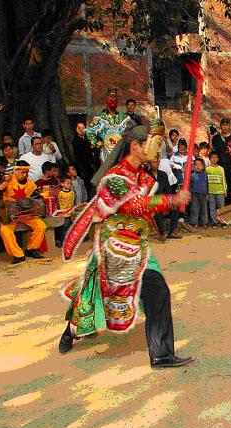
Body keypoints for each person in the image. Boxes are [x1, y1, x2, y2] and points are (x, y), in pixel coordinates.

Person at [58, 123, 193, 369]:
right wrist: (172, 200)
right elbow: (133, 206)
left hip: (138, 247)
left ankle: (161, 354)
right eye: (152, 144)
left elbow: (143, 210)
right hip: (113, 247)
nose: (156, 150)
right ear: (135, 146)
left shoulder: (144, 175)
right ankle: (71, 330)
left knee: (158, 291)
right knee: (95, 293)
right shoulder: (115, 178)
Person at [0, 161, 46, 264]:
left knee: (41, 226)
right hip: (10, 213)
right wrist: (4, 182)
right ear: (16, 170)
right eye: (22, 172)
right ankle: (18, 255)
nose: (25, 175)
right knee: (5, 231)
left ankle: (31, 249)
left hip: (25, 213)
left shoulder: (30, 184)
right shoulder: (8, 179)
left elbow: (35, 197)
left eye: (26, 172)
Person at [86, 88, 132, 164]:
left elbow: (131, 132)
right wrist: (99, 143)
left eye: (115, 100)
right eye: (111, 100)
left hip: (121, 152)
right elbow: (89, 132)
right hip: (106, 153)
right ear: (106, 103)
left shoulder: (124, 117)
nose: (113, 102)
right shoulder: (101, 118)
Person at [211, 118, 231, 195]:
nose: (225, 127)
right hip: (219, 165)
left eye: (226, 125)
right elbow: (212, 151)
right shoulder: (216, 138)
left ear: (229, 126)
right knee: (220, 185)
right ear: (220, 126)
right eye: (223, 125)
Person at [72, 122, 98, 195]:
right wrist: (90, 148)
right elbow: (81, 152)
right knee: (86, 184)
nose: (81, 130)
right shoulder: (76, 140)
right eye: (79, 128)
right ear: (76, 129)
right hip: (82, 166)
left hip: (90, 165)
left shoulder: (87, 138)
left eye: (83, 128)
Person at [206, 151, 227, 228]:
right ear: (210, 159)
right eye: (212, 157)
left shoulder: (221, 169)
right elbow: (206, 181)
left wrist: (225, 190)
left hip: (220, 191)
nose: (214, 159)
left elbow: (223, 180)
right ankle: (214, 222)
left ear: (218, 159)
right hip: (211, 192)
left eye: (216, 157)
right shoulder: (207, 169)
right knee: (212, 208)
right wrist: (207, 192)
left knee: (222, 208)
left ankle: (223, 222)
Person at [55, 176, 75, 246]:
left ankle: (67, 242)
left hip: (70, 213)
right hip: (63, 214)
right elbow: (59, 203)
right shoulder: (60, 193)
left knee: (69, 228)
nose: (69, 185)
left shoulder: (72, 193)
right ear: (62, 184)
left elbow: (72, 202)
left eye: (70, 183)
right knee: (63, 228)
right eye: (67, 183)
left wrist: (72, 211)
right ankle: (63, 242)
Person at [189, 158, 209, 228]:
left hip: (203, 194)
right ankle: (194, 223)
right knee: (194, 209)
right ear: (193, 166)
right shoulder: (192, 175)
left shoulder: (205, 175)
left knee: (204, 209)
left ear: (203, 166)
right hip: (195, 194)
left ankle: (204, 223)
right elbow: (190, 185)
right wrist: (190, 195)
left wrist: (207, 194)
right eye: (196, 165)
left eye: (200, 165)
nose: (198, 166)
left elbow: (207, 185)